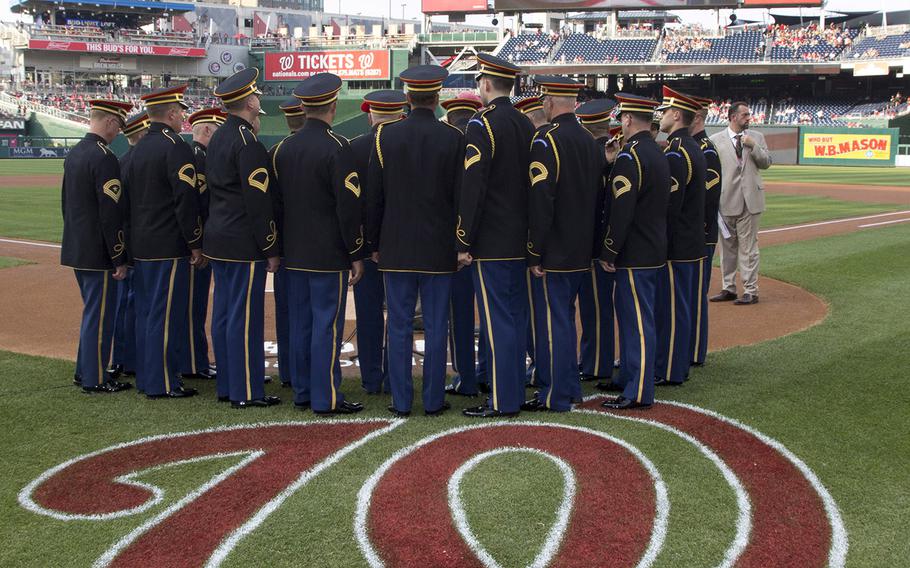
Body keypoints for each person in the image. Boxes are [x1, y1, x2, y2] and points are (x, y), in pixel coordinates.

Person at [366, 65, 463, 417]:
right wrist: (459, 242)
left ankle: (402, 400)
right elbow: (460, 196)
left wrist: (374, 242)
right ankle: (434, 400)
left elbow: (374, 197)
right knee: (437, 326)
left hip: (395, 248)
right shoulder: (454, 137)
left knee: (400, 325)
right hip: (439, 249)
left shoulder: (384, 136)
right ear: (437, 99)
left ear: (407, 97)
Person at [272, 73, 364, 415]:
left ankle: (303, 392)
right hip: (328, 255)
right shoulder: (338, 148)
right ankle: (326, 397)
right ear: (333, 106)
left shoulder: (282, 150)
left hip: (294, 253)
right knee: (326, 326)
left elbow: (275, 205)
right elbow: (348, 208)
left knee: (300, 325)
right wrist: (355, 253)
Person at [456, 53, 534, 418]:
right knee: (515, 319)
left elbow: (474, 187)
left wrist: (463, 238)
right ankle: (514, 391)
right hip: (520, 238)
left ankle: (503, 400)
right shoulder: (525, 124)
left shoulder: (481, 124)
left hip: (491, 241)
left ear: (486, 84)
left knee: (498, 320)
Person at [523, 75, 605, 413]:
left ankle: (555, 394)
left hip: (555, 248)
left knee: (555, 322)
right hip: (582, 247)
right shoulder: (590, 140)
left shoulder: (546, 141)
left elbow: (542, 201)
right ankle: (570, 387)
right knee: (567, 318)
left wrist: (534, 249)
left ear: (548, 102)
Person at [206, 67, 281, 408]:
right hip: (241, 241)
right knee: (244, 318)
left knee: (223, 314)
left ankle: (227, 383)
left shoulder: (219, 137)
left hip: (218, 237)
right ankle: (247, 390)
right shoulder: (247, 141)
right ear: (250, 102)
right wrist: (270, 244)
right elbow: (258, 201)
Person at [126, 85, 204, 399]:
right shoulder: (176, 147)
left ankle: (148, 377)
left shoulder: (138, 149)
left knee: (147, 313)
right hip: (168, 244)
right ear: (171, 114)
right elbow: (185, 200)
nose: (183, 116)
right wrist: (194, 241)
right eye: (180, 111)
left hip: (142, 243)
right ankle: (164, 382)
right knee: (166, 315)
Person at [599, 94, 670, 410]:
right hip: (652, 247)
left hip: (634, 252)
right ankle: (629, 377)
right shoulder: (655, 152)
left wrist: (610, 250)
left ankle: (639, 389)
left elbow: (622, 210)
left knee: (637, 322)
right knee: (634, 318)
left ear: (627, 119)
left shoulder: (632, 157)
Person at [61, 98, 133, 393]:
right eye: (117, 126)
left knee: (92, 312)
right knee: (100, 317)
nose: (117, 133)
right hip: (99, 252)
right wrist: (118, 255)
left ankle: (85, 370)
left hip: (78, 246)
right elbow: (110, 212)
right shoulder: (104, 158)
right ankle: (95, 378)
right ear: (110, 122)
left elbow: (66, 204)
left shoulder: (75, 154)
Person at [350, 90, 407, 395]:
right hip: (402, 245)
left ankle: (372, 379)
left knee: (368, 313)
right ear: (400, 115)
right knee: (400, 314)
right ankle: (398, 376)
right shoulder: (407, 147)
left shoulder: (354, 147)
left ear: (369, 115)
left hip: (363, 243)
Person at [653, 86, 707, 387]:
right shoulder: (691, 147)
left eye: (664, 111)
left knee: (672, 309)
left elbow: (670, 207)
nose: (660, 117)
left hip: (677, 244)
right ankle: (679, 363)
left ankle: (671, 370)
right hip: (691, 241)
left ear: (676, 114)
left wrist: (662, 242)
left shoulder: (676, 152)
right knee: (682, 306)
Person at [439, 92, 483, 397]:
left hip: (455, 246)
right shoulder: (487, 140)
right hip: (493, 244)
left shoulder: (449, 145)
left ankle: (466, 377)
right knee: (498, 316)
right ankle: (490, 373)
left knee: (460, 316)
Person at [709, 101, 771, 305]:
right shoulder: (715, 140)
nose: (748, 118)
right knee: (727, 248)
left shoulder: (757, 137)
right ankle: (728, 288)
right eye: (744, 115)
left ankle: (751, 291)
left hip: (750, 201)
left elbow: (766, 163)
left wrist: (753, 146)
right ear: (733, 117)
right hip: (725, 200)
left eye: (749, 114)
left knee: (749, 248)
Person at [575, 98, 618, 386]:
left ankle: (597, 363)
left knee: (595, 308)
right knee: (596, 306)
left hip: (592, 243)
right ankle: (594, 359)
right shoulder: (612, 153)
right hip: (603, 241)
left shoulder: (592, 155)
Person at [180, 107, 225, 382]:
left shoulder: (200, 156)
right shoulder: (197, 158)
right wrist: (199, 243)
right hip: (197, 246)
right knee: (193, 306)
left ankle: (196, 360)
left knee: (196, 307)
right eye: (217, 129)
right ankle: (193, 362)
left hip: (198, 242)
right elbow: (197, 206)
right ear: (207, 130)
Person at [268, 98, 306, 387]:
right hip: (320, 251)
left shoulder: (275, 153)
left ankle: (288, 373)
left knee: (287, 314)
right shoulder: (335, 145)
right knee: (316, 317)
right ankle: (311, 373)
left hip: (285, 246)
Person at [108, 111, 148, 381]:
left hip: (123, 240)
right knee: (136, 304)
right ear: (143, 134)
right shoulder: (144, 162)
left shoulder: (121, 161)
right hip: (140, 242)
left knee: (122, 304)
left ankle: (121, 359)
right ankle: (133, 359)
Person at [513, 94, 548, 390]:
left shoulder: (541, 146)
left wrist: (534, 248)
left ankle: (541, 369)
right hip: (566, 245)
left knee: (535, 315)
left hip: (537, 244)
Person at [689, 95, 722, 366]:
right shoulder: (694, 146)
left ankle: (696, 351)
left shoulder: (705, 149)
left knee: (697, 293)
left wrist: (699, 230)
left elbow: (709, 199)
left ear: (696, 118)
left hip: (702, 234)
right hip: (696, 234)